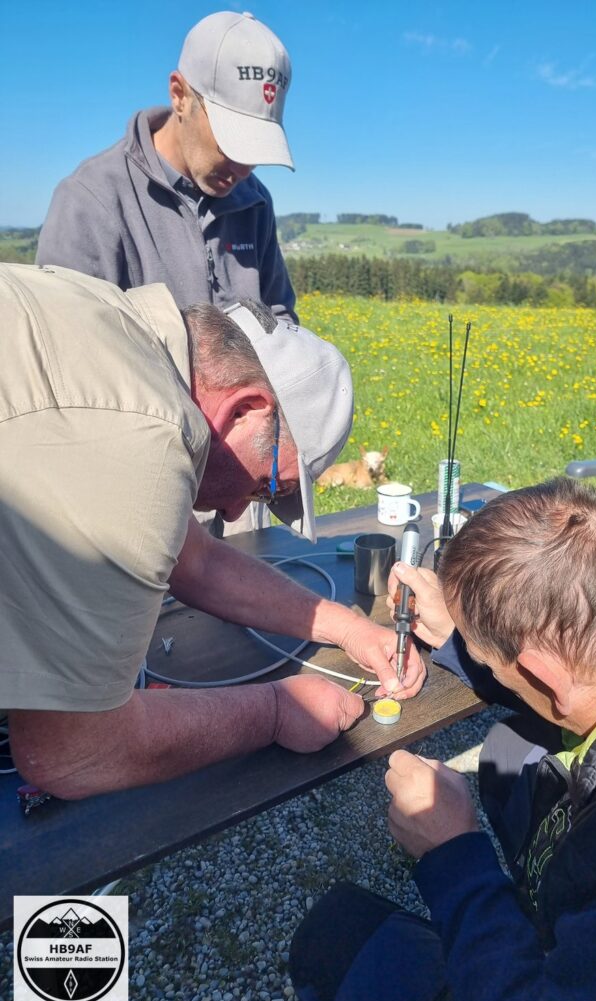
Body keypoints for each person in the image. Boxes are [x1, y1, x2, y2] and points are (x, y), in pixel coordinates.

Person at [289, 478, 596, 1001]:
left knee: (333, 938)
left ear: (543, 673)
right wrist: (465, 639)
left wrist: (454, 856)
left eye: (494, 667)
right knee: (509, 752)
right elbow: (578, 666)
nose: (487, 670)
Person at [0, 263, 425, 802]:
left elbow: (194, 559)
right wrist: (276, 711)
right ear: (246, 409)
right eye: (266, 487)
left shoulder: (115, 327)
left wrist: (351, 630)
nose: (232, 512)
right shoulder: (144, 433)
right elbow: (74, 752)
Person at [36, 10, 297, 319]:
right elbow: (65, 342)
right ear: (179, 95)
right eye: (232, 142)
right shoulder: (90, 199)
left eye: (256, 149)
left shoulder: (254, 202)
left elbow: (280, 320)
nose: (244, 171)